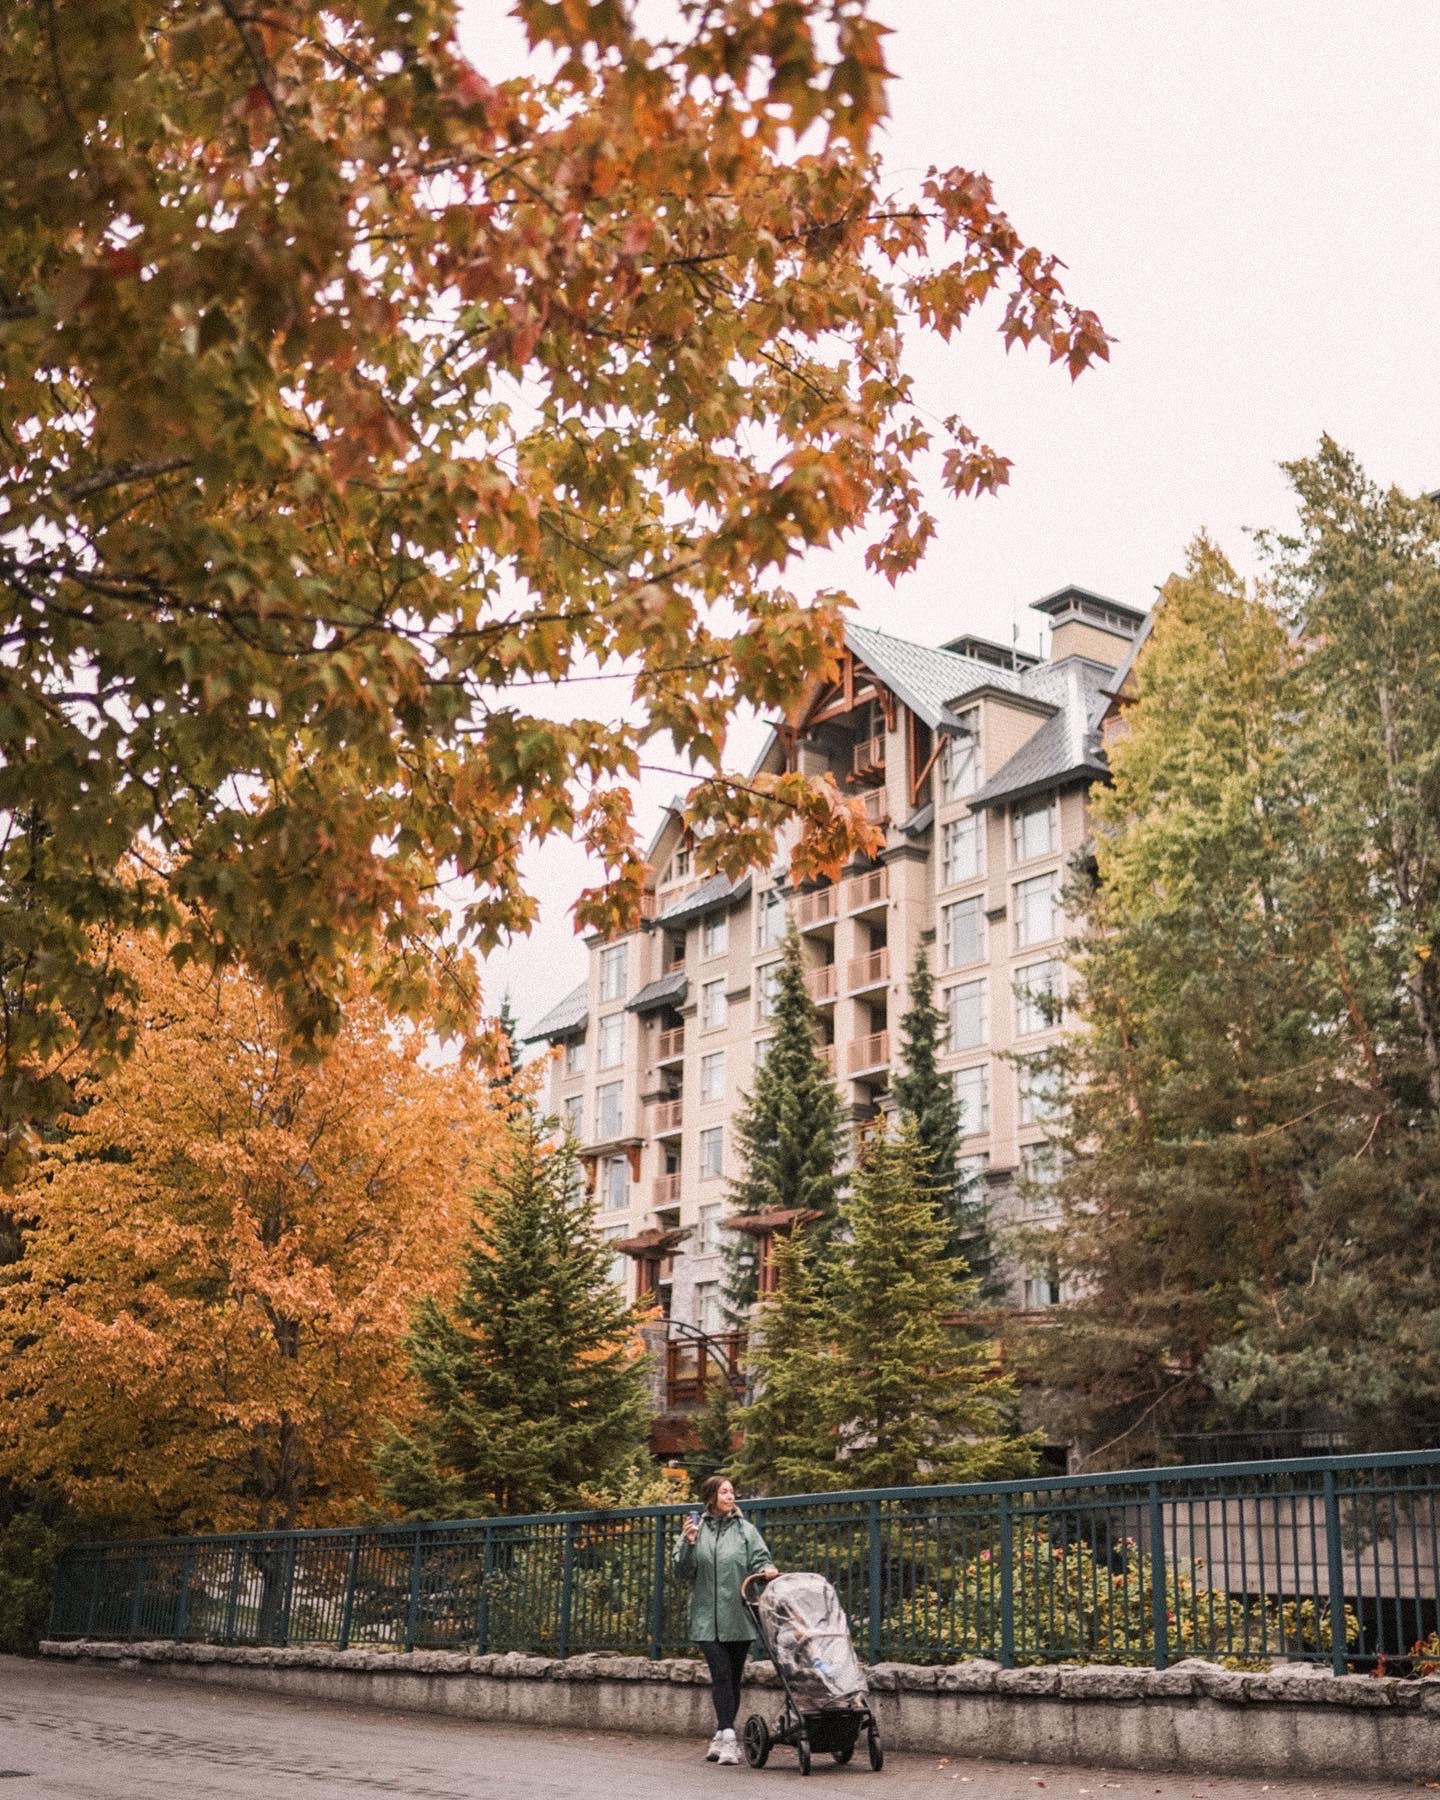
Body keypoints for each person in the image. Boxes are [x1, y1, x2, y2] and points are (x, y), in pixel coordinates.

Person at [672, 1474, 778, 1765]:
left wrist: (767, 1568)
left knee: (732, 1677)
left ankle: (721, 1734)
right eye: (724, 1492)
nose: (730, 1497)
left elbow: (760, 1559)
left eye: (732, 1492)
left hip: (738, 1615)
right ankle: (730, 1737)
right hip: (706, 1617)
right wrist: (690, 1543)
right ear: (711, 1498)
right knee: (720, 1673)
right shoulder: (696, 1530)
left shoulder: (745, 1530)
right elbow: (681, 1572)